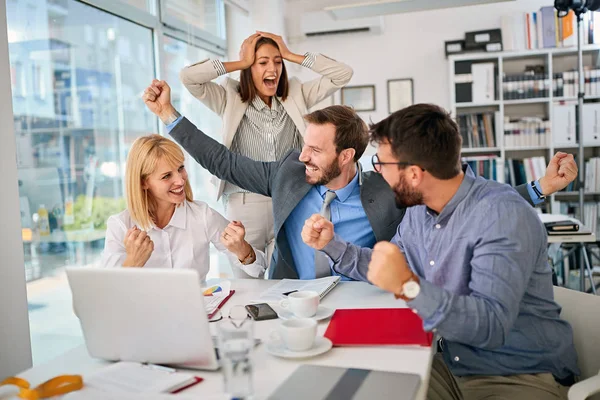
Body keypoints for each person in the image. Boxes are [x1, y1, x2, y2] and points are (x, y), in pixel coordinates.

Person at [142, 80, 578, 281]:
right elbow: (223, 160)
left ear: (346, 156)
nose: (302, 155)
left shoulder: (382, 188)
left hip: (360, 297)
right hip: (291, 298)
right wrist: (170, 117)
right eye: (303, 146)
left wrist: (540, 187)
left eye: (314, 149)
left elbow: (460, 201)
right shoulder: (288, 173)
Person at [302, 104, 579, 399]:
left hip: (519, 374)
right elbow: (389, 265)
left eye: (381, 165)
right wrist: (331, 245)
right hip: (449, 363)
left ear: (415, 174)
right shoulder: (419, 212)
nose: (377, 173)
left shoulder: (502, 215)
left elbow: (490, 325)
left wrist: (407, 285)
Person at [178, 31, 353, 277]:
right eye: (262, 62)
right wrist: (239, 62)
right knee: (247, 281)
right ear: (250, 67)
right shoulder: (229, 97)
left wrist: (292, 55)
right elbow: (189, 78)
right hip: (245, 203)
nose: (273, 68)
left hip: (289, 200)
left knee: (287, 282)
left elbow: (342, 74)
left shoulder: (297, 95)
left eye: (277, 61)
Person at [100, 134, 266, 281]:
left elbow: (258, 270)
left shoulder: (202, 215)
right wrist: (133, 262)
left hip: (196, 311)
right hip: (146, 314)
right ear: (143, 182)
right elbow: (107, 297)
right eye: (166, 176)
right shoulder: (120, 226)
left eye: (180, 168)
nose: (180, 181)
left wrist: (243, 250)